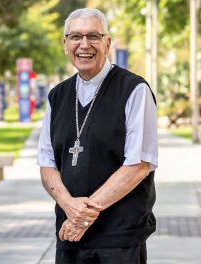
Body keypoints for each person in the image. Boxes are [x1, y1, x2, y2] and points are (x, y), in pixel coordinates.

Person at [37, 8, 158, 264]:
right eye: (75, 37)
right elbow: (47, 163)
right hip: (69, 234)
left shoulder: (134, 90)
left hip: (119, 237)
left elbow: (139, 165)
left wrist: (83, 214)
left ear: (107, 43)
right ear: (65, 44)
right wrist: (68, 205)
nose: (84, 45)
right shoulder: (57, 96)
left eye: (93, 36)